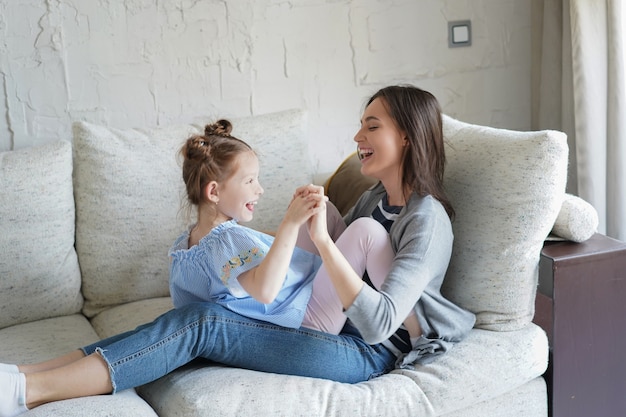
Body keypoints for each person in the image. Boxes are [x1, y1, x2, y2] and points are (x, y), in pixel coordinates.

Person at [0, 85, 475, 417]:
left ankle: (30, 391)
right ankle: (25, 374)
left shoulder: (427, 220)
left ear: (407, 136)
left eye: (371, 127)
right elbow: (328, 270)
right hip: (330, 327)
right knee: (191, 318)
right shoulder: (374, 200)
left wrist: (320, 240)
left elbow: (377, 322)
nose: (357, 138)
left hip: (367, 351)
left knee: (203, 322)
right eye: (360, 125)